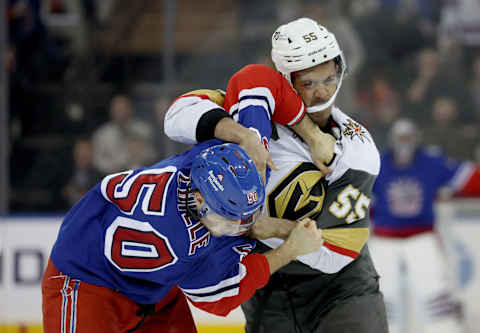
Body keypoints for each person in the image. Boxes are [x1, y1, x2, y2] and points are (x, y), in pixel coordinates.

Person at [165, 17, 388, 333]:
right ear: (284, 79)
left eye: (330, 78)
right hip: (267, 289)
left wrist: (255, 226)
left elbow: (338, 253)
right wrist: (240, 134)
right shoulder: (247, 110)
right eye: (308, 83)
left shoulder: (356, 149)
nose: (323, 92)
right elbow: (175, 117)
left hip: (341, 290)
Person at [41, 140, 324, 333]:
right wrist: (290, 249)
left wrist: (244, 135)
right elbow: (222, 294)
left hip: (151, 284)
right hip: (86, 283)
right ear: (199, 198)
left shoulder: (202, 161)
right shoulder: (182, 243)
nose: (237, 228)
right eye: (228, 220)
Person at [369, 118, 480, 333]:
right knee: (383, 302)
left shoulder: (431, 162)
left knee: (435, 299)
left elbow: (467, 177)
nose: (404, 143)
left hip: (422, 239)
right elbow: (358, 199)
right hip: (384, 242)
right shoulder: (376, 164)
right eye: (401, 138)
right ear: (392, 140)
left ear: (416, 140)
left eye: (408, 138)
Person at [92, 95, 156, 175]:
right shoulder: (102, 135)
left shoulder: (144, 130)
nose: (121, 113)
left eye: (124, 109)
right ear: (111, 111)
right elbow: (98, 162)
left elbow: (154, 154)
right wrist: (118, 164)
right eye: (118, 110)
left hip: (142, 176)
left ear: (130, 110)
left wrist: (142, 153)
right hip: (113, 178)